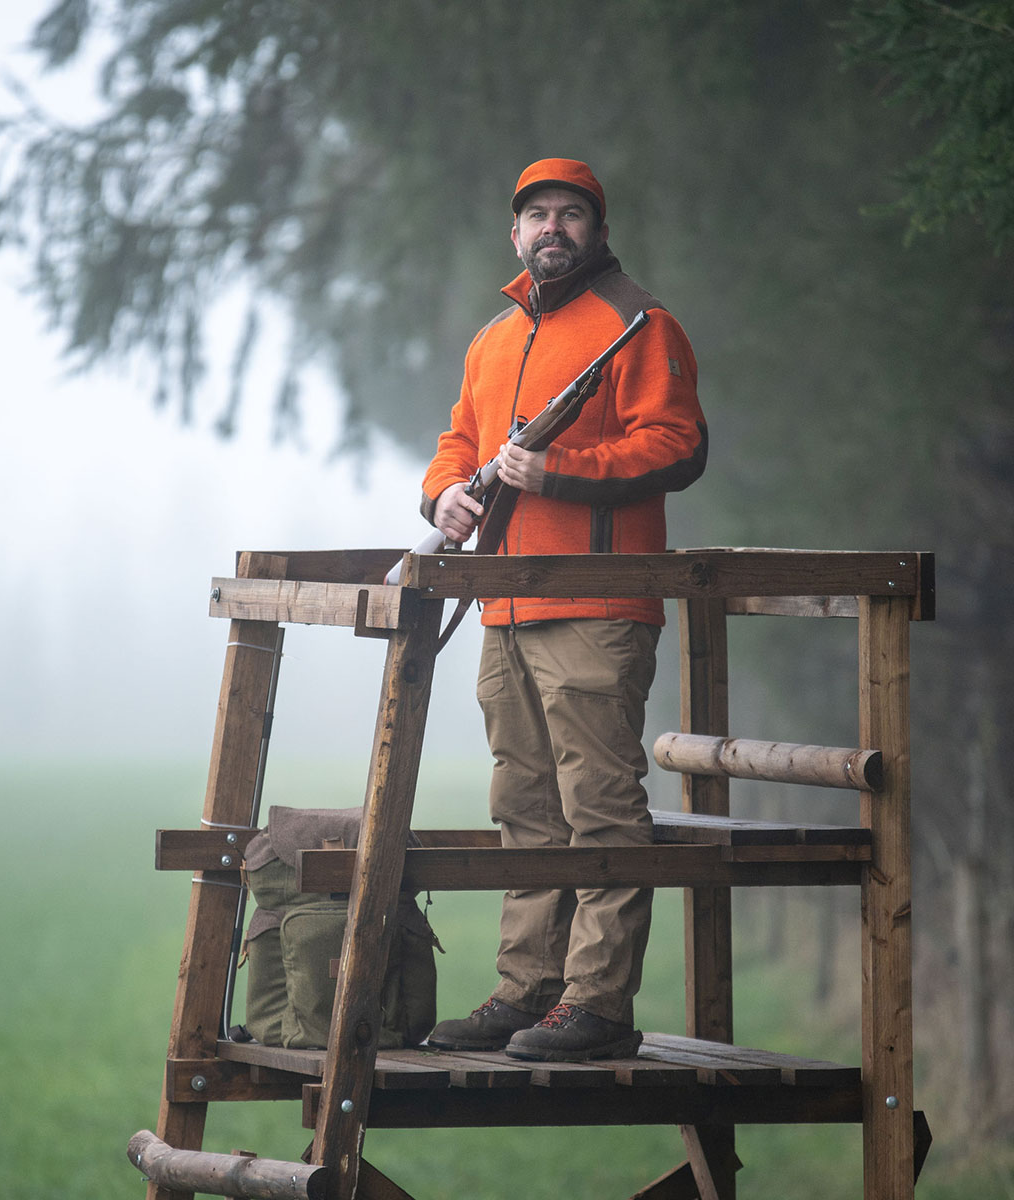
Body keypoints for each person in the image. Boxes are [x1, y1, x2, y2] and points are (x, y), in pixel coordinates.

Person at [422, 158, 708, 1062]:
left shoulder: (638, 324)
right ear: (515, 233)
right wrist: (443, 497)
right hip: (503, 605)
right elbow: (458, 442)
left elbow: (679, 444)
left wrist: (559, 471)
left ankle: (598, 1004)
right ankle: (529, 989)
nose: (553, 227)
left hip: (598, 600)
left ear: (598, 229)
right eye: (538, 214)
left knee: (600, 804)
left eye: (571, 213)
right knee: (525, 805)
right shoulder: (493, 338)